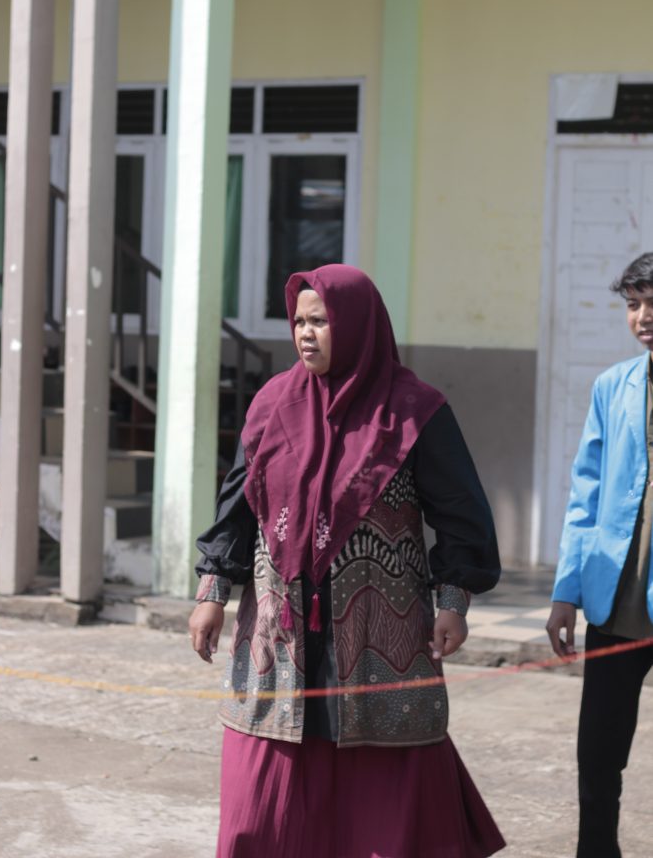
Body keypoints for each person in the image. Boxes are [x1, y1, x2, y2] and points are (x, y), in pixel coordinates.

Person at [189, 263, 505, 858]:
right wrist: (212, 592)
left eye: (322, 321)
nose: (306, 334)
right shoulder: (272, 404)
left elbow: (461, 514)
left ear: (358, 324)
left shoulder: (414, 410)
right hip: (278, 633)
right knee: (262, 802)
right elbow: (238, 506)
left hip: (380, 635)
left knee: (382, 797)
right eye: (299, 321)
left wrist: (453, 601)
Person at [547, 252, 653, 858]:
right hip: (615, 601)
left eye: (652, 304)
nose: (642, 317)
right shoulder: (613, 387)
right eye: (633, 305)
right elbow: (584, 496)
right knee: (599, 752)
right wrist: (566, 591)